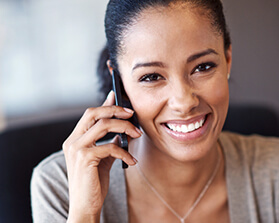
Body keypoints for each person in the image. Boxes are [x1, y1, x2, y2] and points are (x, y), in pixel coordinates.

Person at [31, 0, 279, 222]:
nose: (184, 102)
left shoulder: (273, 171)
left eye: (202, 67)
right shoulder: (61, 185)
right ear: (120, 83)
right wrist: (85, 215)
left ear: (227, 60)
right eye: (151, 77)